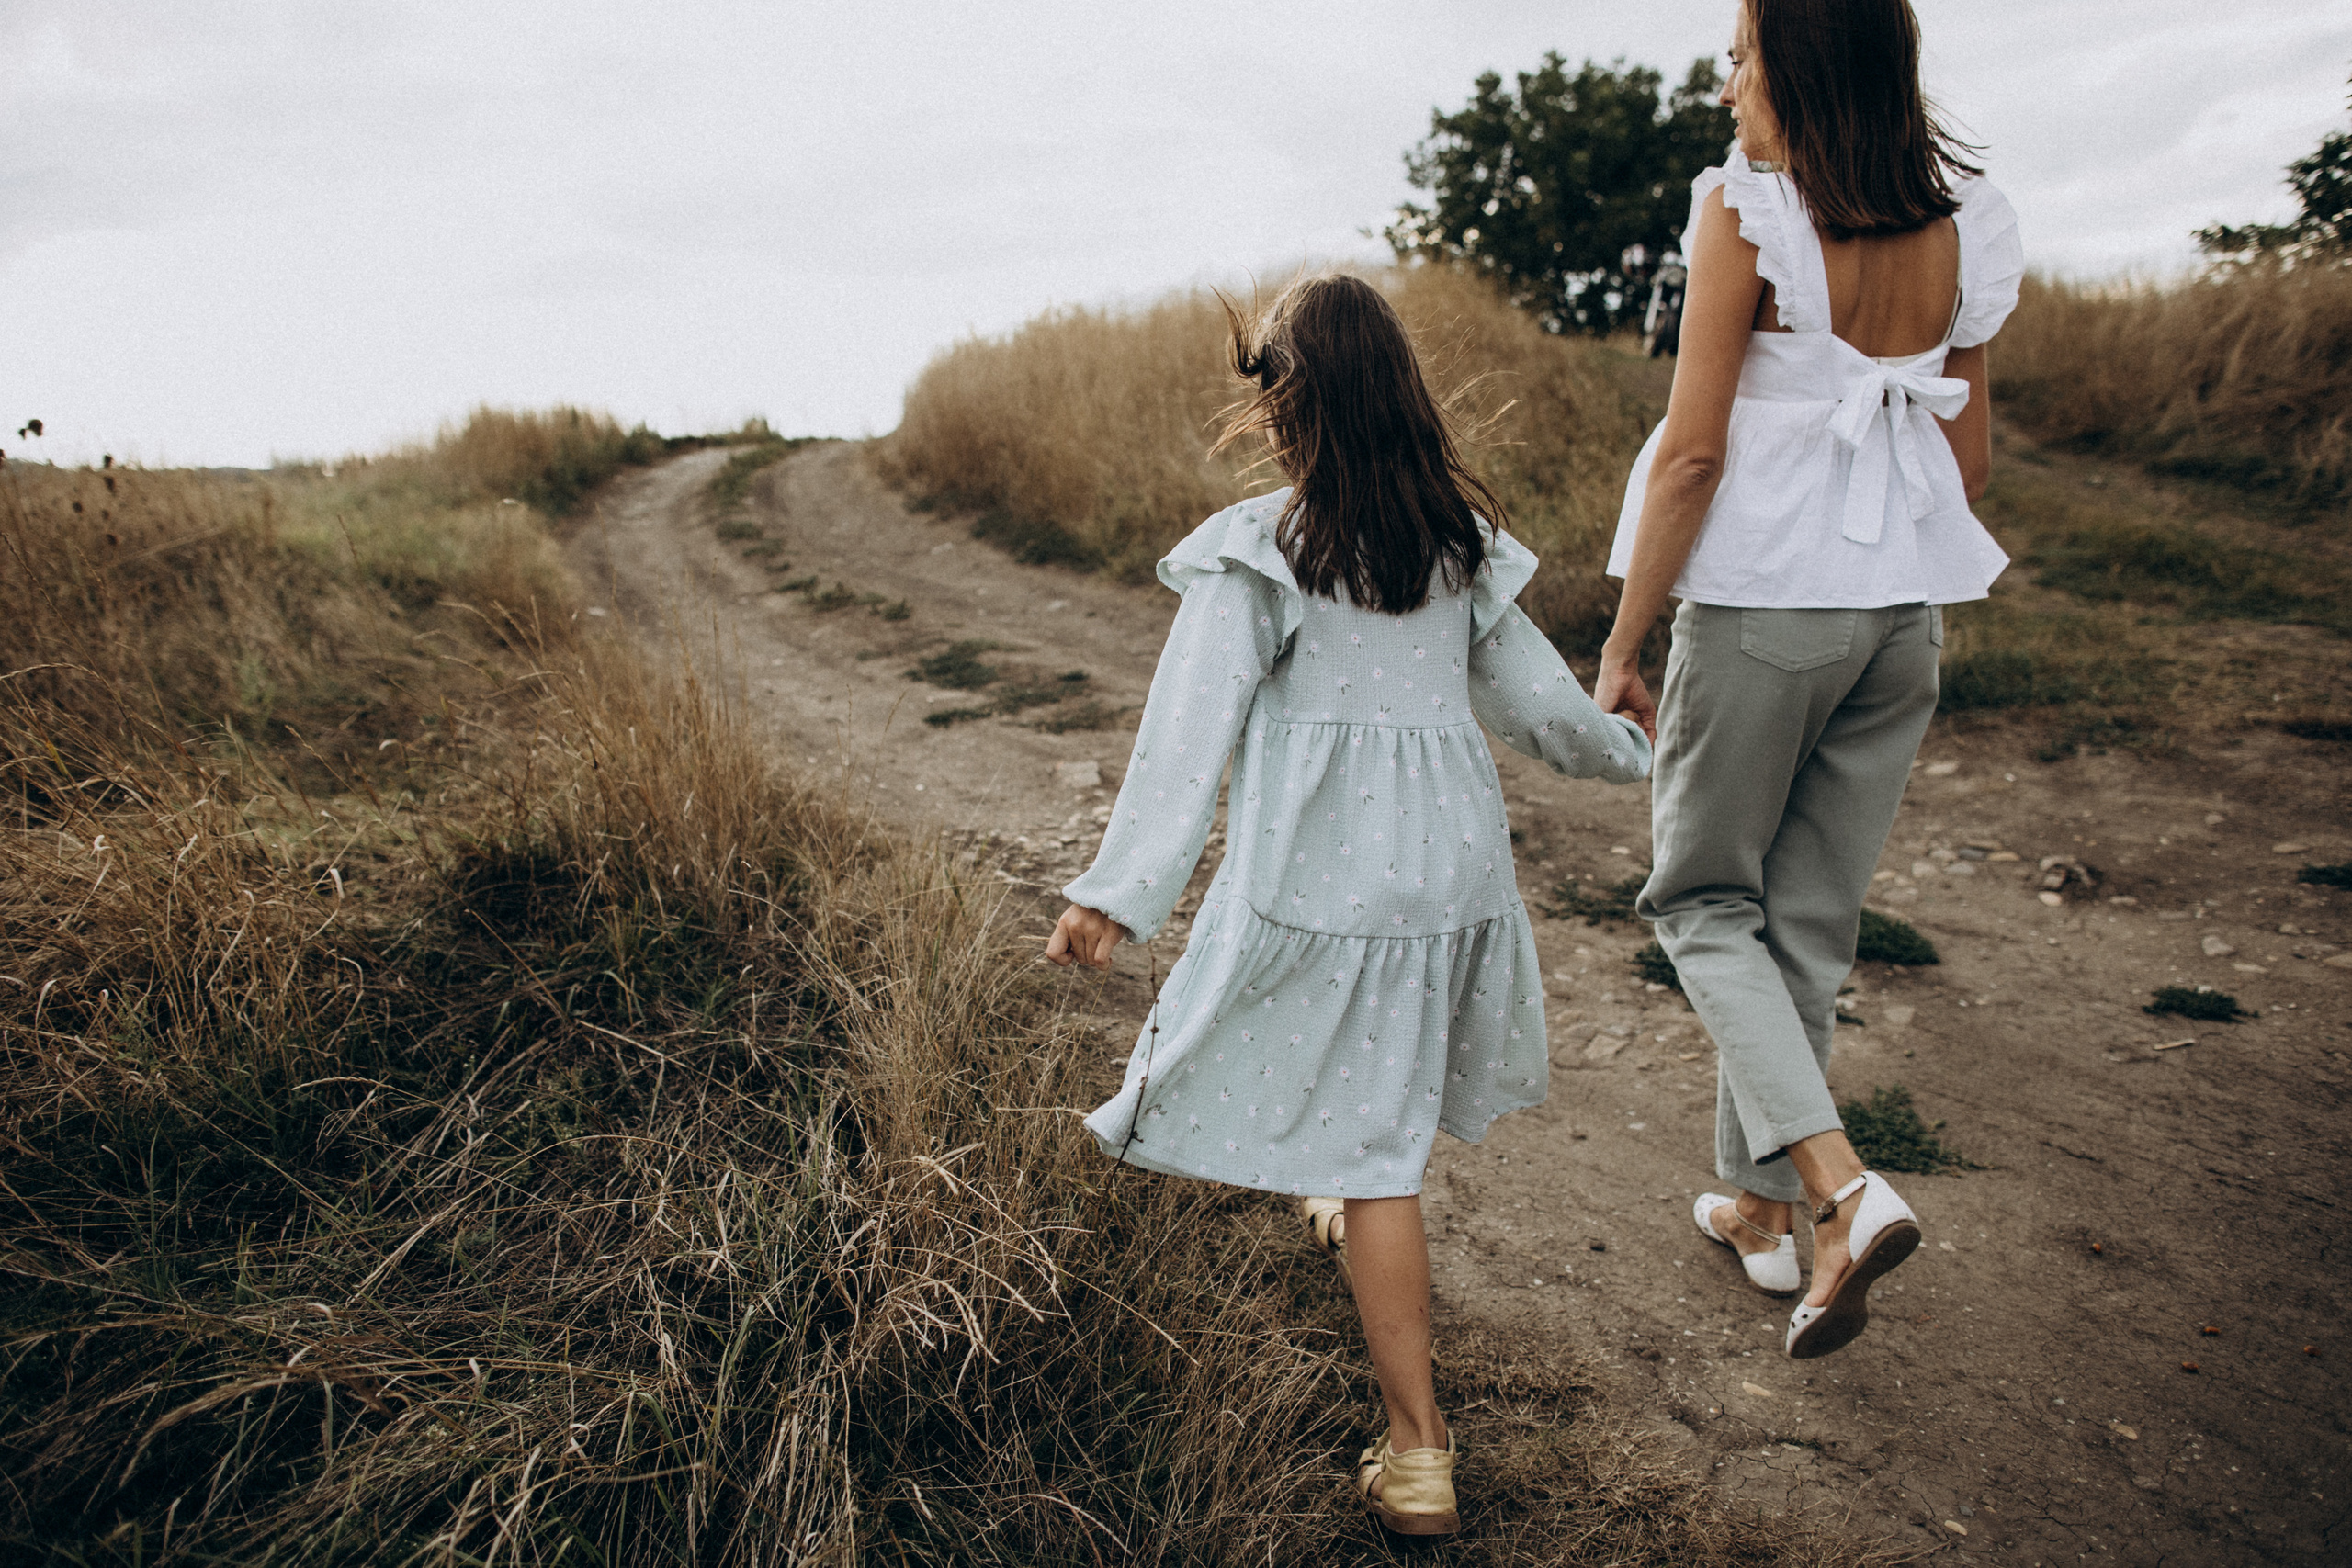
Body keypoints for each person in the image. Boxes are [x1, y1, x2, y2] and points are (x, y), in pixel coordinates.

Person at [1045, 273, 1651, 1536]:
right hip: (1447, 866)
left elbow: (1187, 730)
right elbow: (1542, 709)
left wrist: (1116, 896)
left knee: (1376, 1155)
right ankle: (1341, 1172)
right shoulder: (1454, 546)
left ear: (1290, 409)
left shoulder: (1263, 546)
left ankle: (1420, 1445)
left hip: (1320, 864)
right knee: (1374, 1084)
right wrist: (1631, 750)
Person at [1593, 0, 2023, 1359]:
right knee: (1809, 922)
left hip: (1767, 606)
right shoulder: (1967, 221)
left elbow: (1694, 454)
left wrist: (1625, 637)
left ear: (1807, 65)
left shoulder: (1749, 214)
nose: (1727, 86)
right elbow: (1970, 461)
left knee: (1701, 897)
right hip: (1901, 619)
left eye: (1743, 57)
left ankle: (1837, 1191)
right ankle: (1766, 1220)